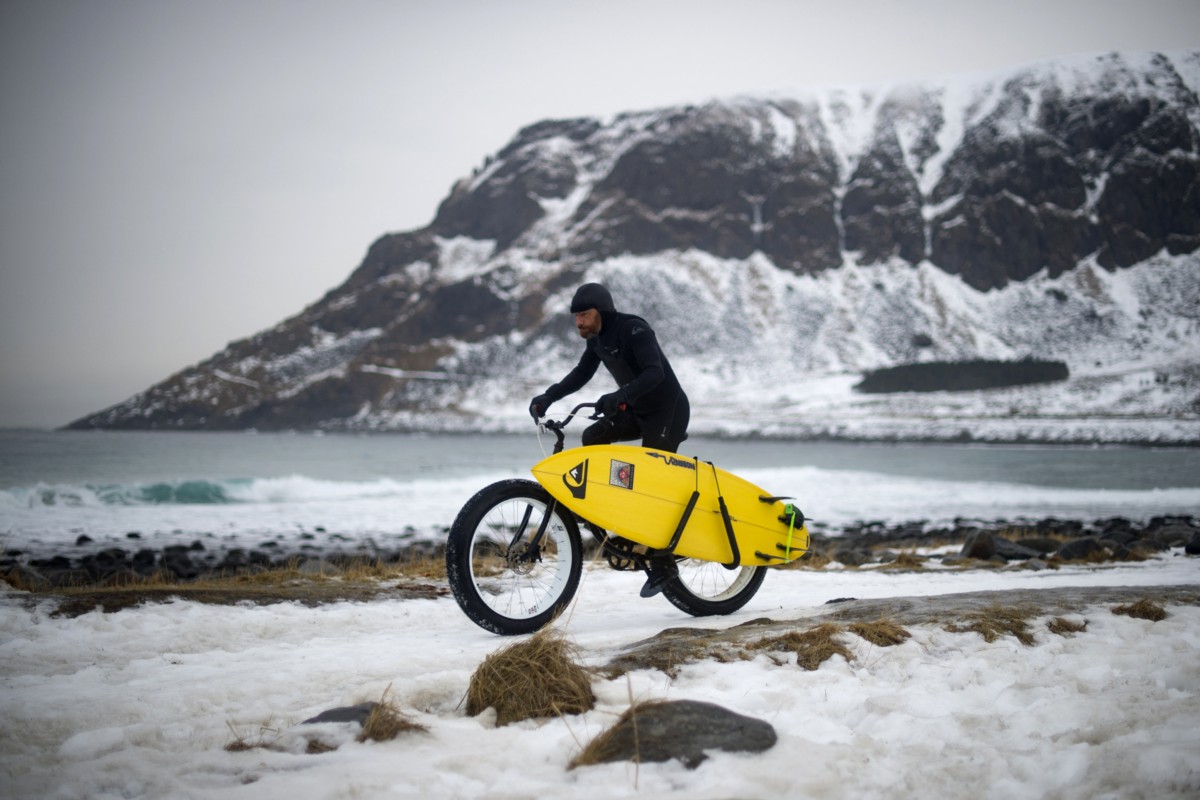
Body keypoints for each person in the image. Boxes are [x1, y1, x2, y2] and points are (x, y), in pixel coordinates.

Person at [529, 282, 690, 453]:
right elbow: (582, 373)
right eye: (576, 316)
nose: (579, 322)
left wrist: (621, 395)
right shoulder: (595, 338)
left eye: (584, 314)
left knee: (652, 464)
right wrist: (550, 396)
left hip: (668, 411)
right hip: (636, 411)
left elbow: (655, 372)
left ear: (602, 311)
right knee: (592, 437)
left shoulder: (634, 329)